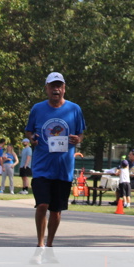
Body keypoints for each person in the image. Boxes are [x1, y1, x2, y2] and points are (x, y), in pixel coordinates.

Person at [25, 72, 86, 250]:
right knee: (42, 204)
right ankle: (40, 243)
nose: (56, 89)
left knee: (56, 210)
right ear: (46, 88)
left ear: (64, 88)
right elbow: (29, 131)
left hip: (63, 168)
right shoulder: (37, 109)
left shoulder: (74, 109)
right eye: (53, 86)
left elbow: (81, 133)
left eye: (59, 86)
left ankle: (50, 243)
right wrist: (32, 138)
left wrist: (78, 139)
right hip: (42, 166)